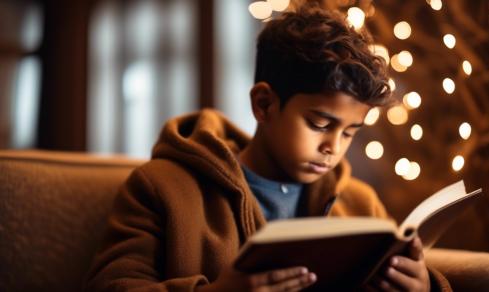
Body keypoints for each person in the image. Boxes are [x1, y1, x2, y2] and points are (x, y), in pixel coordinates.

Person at [84, 4, 451, 292]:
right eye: (320, 125)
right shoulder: (161, 187)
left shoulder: (359, 203)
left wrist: (423, 286)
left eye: (349, 132)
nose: (333, 148)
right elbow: (112, 286)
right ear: (264, 105)